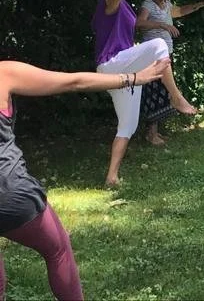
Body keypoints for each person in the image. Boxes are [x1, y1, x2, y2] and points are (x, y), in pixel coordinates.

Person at [0, 58, 170, 301]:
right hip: (11, 193)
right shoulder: (4, 73)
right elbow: (74, 82)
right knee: (58, 251)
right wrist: (133, 78)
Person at [92, 0, 196, 187]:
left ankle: (111, 176)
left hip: (124, 68)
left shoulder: (125, 5)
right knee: (160, 44)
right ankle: (176, 97)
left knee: (128, 124)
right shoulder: (108, 0)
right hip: (112, 64)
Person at [135, 0, 204, 145]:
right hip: (152, 57)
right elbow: (139, 23)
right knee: (153, 91)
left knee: (162, 92)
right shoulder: (148, 5)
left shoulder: (167, 6)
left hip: (166, 55)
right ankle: (151, 134)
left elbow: (182, 10)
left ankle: (154, 132)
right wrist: (163, 25)